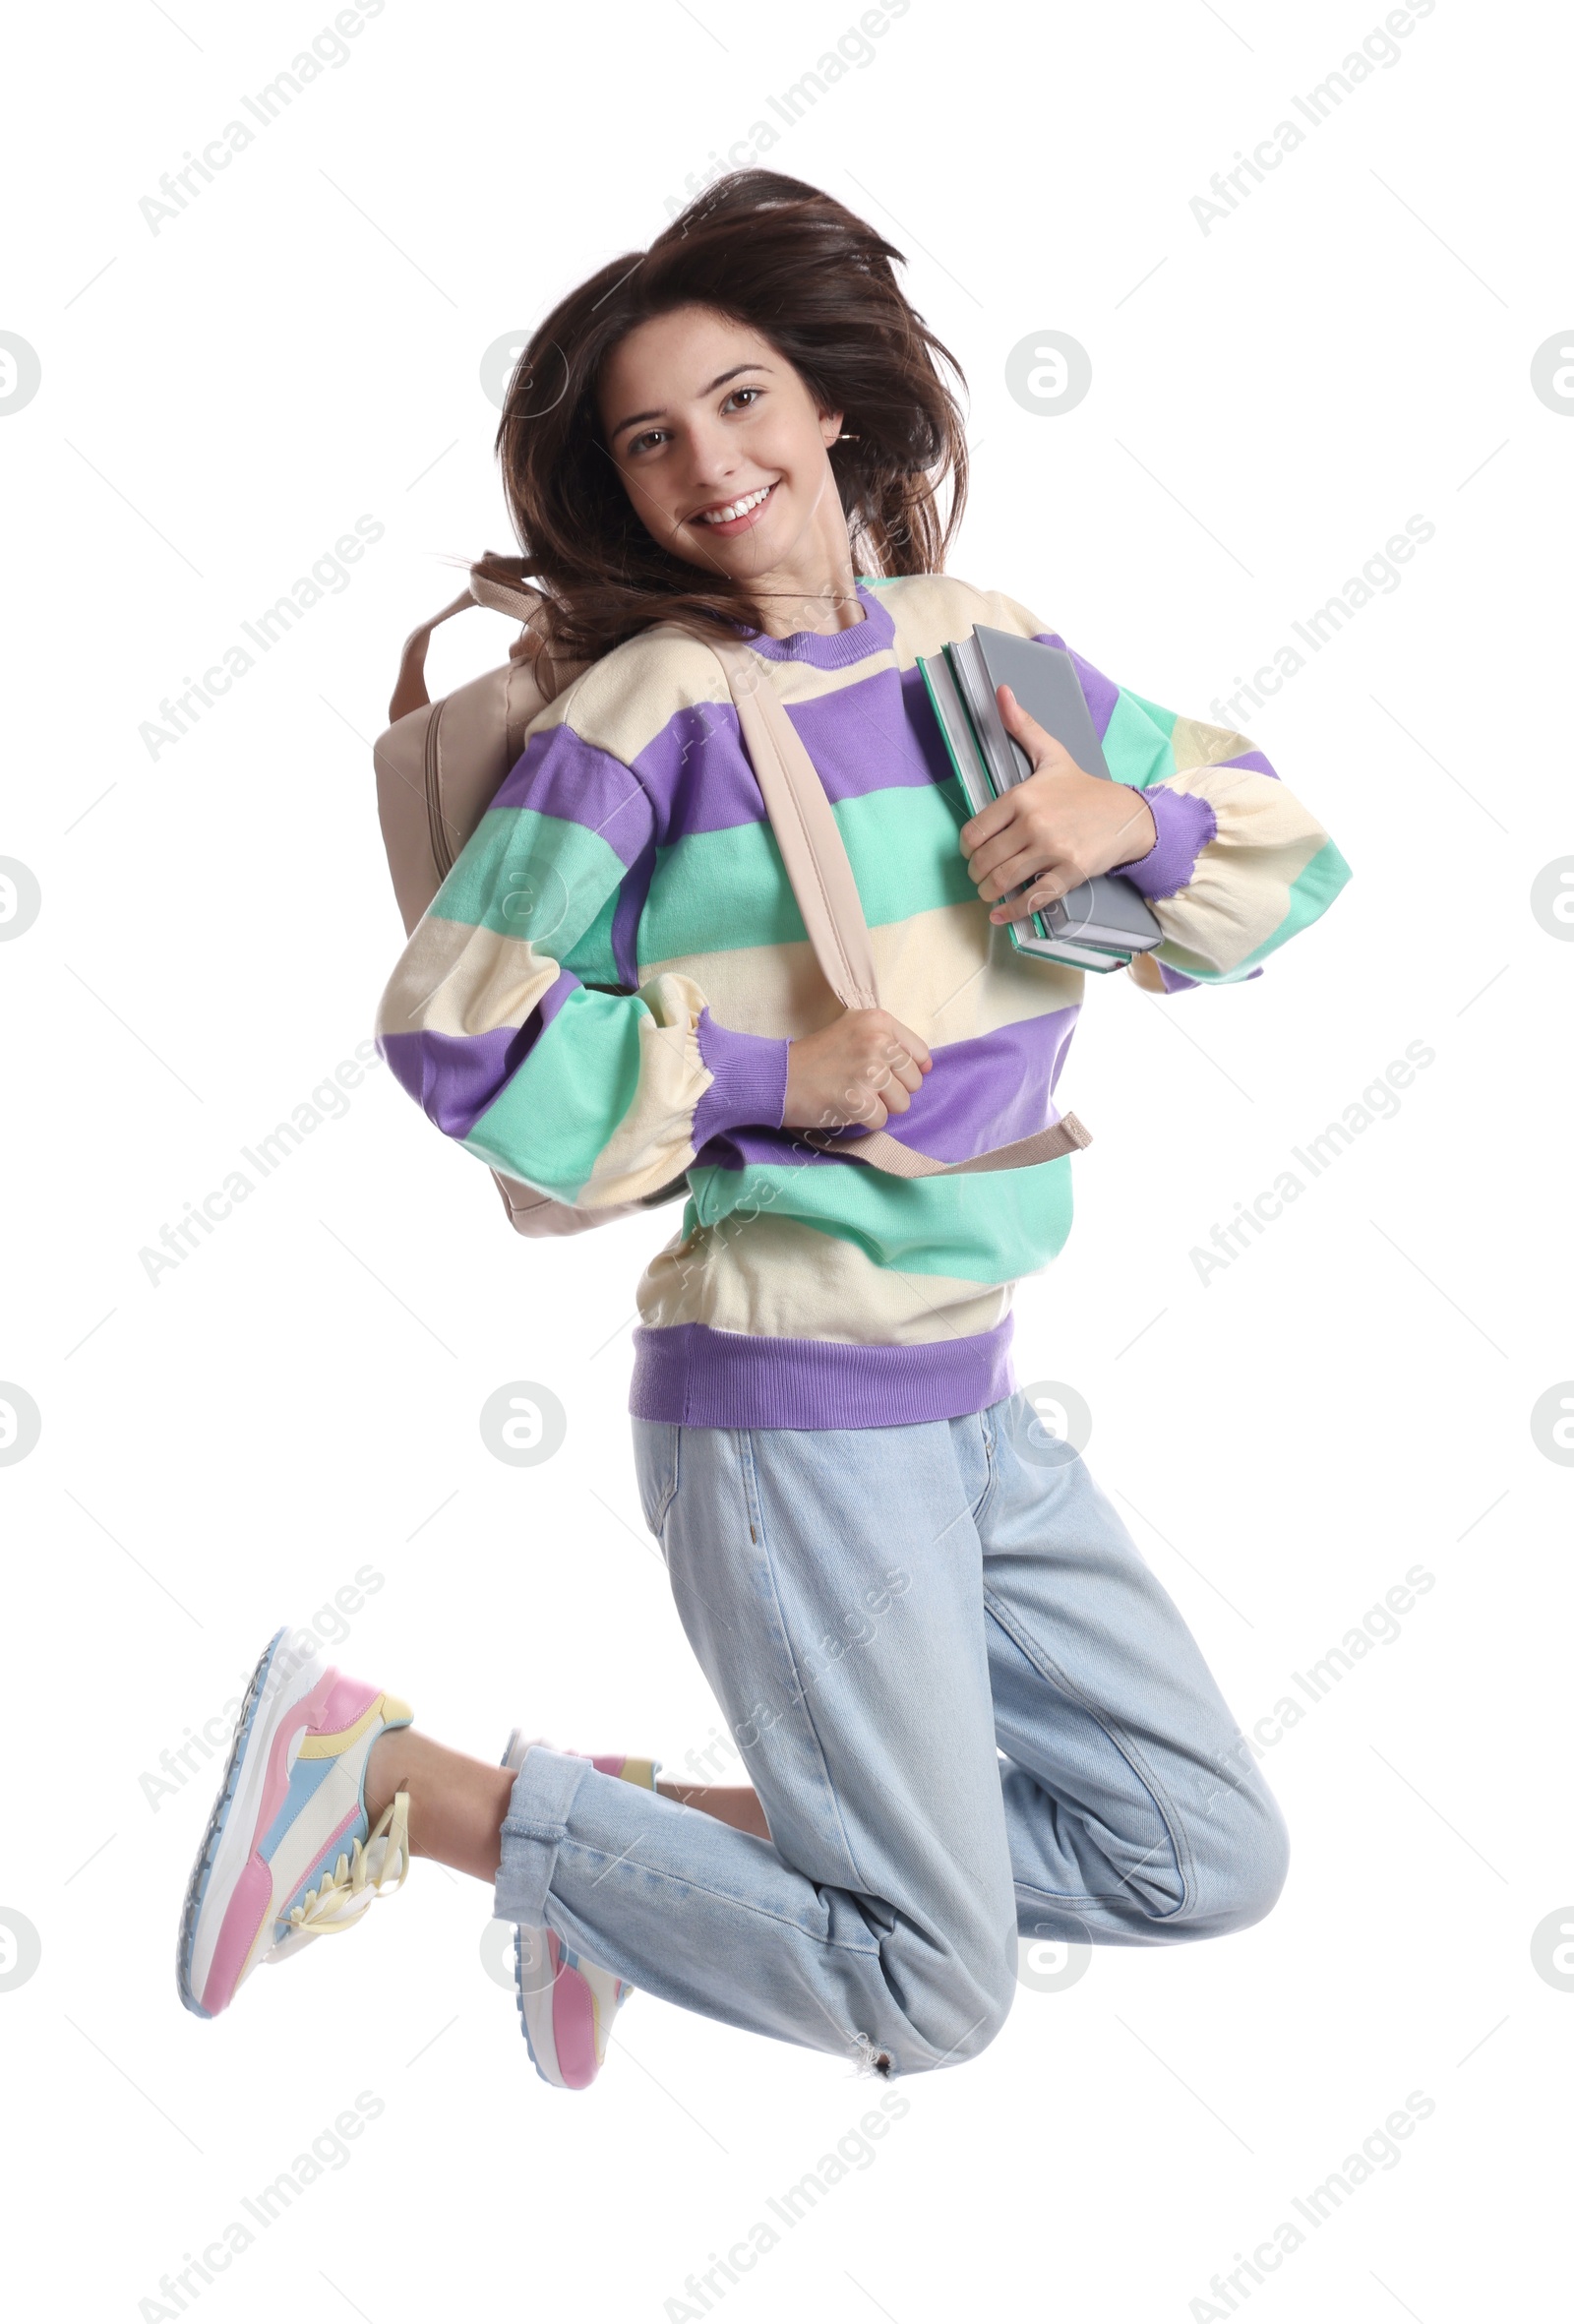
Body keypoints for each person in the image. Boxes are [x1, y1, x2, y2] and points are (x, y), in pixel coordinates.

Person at [177, 170, 1351, 2089]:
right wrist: (753, 1078)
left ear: (824, 407)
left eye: (736, 400)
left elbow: (1281, 865)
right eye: (648, 440)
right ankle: (389, 1779)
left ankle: (628, 1850)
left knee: (1199, 1850)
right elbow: (455, 1017)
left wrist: (1123, 827)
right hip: (791, 1397)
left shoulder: (984, 653)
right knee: (927, 1986)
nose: (705, 462)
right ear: (622, 491)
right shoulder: (647, 714)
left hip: (970, 1396)